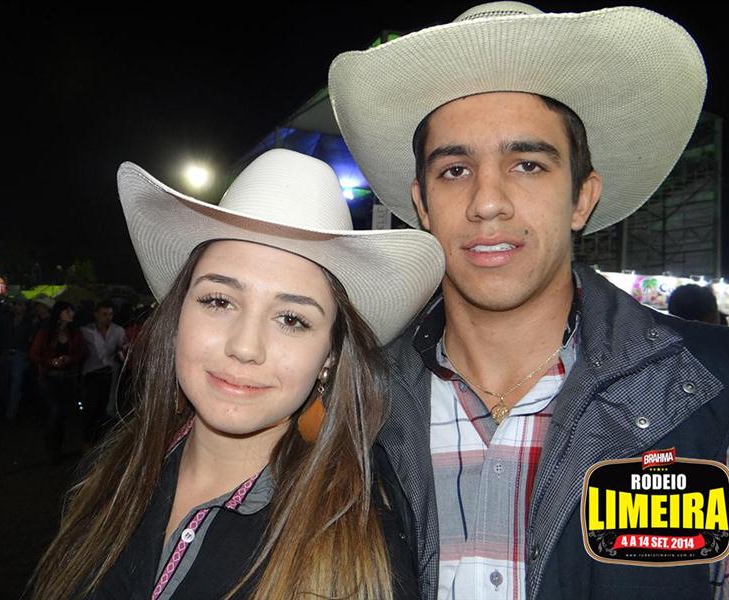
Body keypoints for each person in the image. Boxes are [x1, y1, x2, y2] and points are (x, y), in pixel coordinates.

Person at [329, 3, 729, 599]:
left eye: (527, 164)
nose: (488, 202)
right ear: (422, 204)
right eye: (455, 170)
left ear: (581, 198)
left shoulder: (725, 388)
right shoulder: (354, 402)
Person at [31, 149, 445, 599]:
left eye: (292, 319)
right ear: (178, 314)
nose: (245, 347)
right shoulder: (104, 477)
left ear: (329, 355)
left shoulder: (359, 548)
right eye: (219, 301)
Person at [30, 301, 84, 463]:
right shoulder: (46, 332)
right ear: (59, 314)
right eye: (68, 311)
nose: (72, 314)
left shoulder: (74, 333)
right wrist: (50, 362)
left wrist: (69, 359)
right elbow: (34, 354)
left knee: (63, 412)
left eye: (72, 311)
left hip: (67, 377)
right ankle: (52, 446)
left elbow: (82, 352)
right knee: (55, 409)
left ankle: (57, 445)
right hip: (49, 377)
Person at [80, 300, 128, 444]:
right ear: (96, 314)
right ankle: (89, 438)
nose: (108, 317)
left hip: (110, 372)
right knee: (92, 406)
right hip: (91, 372)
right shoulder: (86, 331)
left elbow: (123, 347)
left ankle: (99, 438)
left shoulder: (118, 330)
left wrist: (123, 352)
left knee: (106, 406)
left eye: (110, 314)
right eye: (104, 314)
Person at [0, 294, 35, 420]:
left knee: (15, 384)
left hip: (20, 353)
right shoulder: (5, 318)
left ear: (25, 307)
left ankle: (10, 412)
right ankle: (6, 407)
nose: (18, 307)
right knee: (1, 382)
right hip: (6, 351)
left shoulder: (29, 321)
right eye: (16, 304)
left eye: (21, 305)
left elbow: (31, 339)